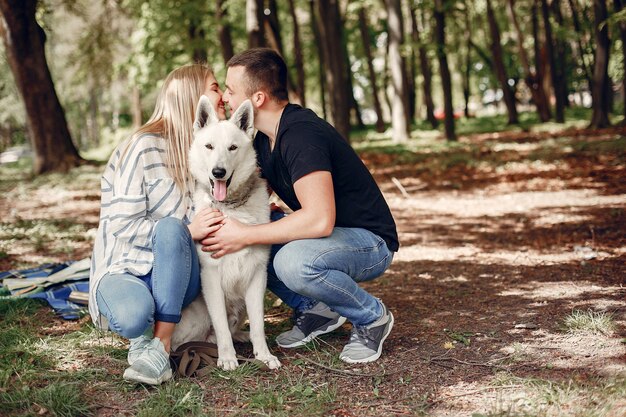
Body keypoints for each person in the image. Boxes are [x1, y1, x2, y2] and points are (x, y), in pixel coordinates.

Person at [203, 48, 399, 364]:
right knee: (261, 242)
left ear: (257, 99)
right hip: (335, 235)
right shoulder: (262, 141)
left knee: (291, 261)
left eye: (230, 89)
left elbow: (320, 220)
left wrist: (245, 234)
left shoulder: (301, 135)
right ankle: (318, 311)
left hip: (370, 242)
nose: (224, 97)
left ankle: (371, 317)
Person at [88, 64, 226, 385]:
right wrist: (187, 231)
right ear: (193, 95)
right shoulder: (143, 146)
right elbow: (123, 224)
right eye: (216, 87)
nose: (223, 96)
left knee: (171, 230)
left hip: (179, 273)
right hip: (125, 268)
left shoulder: (208, 153)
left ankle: (160, 348)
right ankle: (145, 335)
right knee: (134, 315)